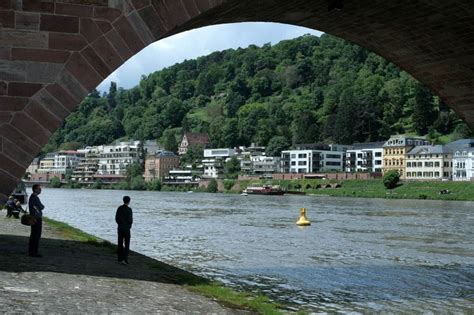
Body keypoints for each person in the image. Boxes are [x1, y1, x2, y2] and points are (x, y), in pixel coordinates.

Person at [115, 196, 133, 265]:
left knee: (120, 243)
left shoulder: (119, 208)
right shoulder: (129, 209)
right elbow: (130, 220)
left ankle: (119, 259)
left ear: (123, 200)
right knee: (127, 244)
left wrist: (120, 224)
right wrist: (128, 227)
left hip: (120, 228)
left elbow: (116, 218)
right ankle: (125, 259)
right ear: (129, 201)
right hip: (126, 229)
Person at [28, 184, 44, 258]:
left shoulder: (32, 197)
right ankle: (34, 252)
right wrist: (42, 206)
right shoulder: (35, 197)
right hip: (36, 218)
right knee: (36, 235)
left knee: (33, 235)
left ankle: (31, 251)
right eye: (39, 189)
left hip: (33, 217)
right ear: (35, 189)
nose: (40, 190)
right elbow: (41, 206)